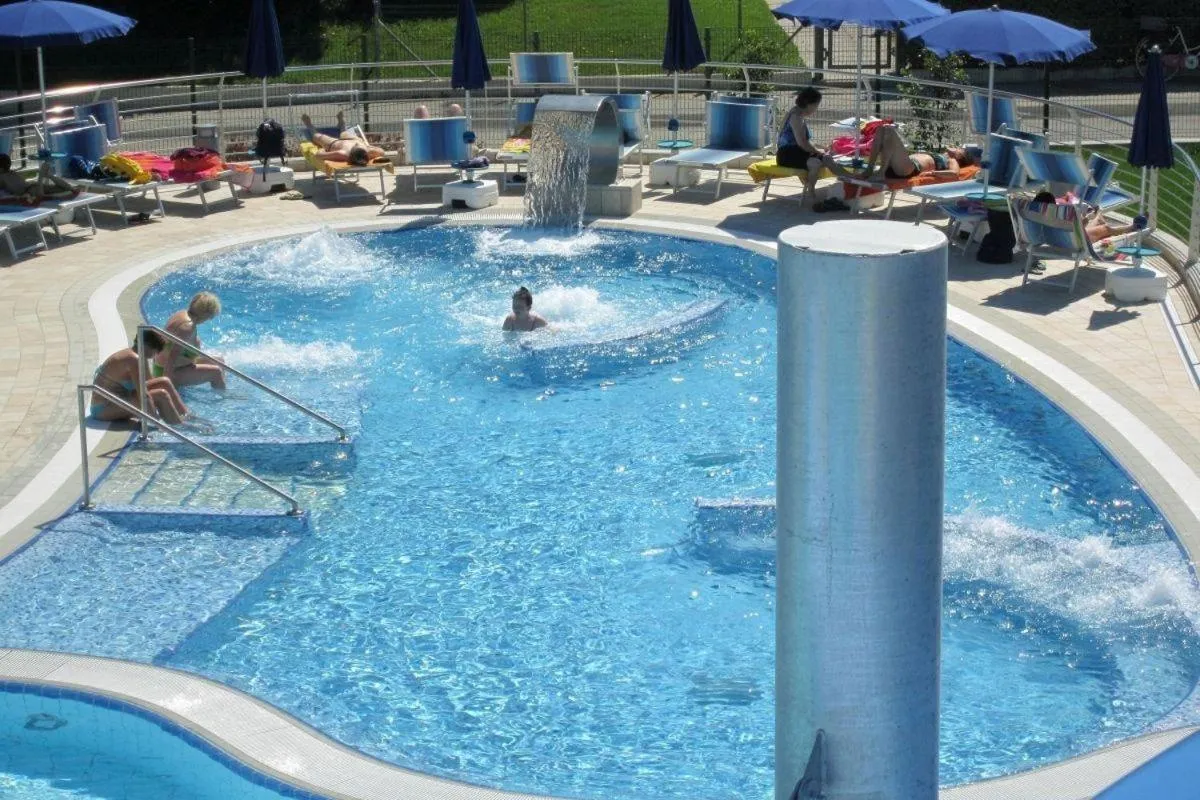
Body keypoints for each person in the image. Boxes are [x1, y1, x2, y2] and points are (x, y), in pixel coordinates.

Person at [91, 330, 188, 425]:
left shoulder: (138, 355)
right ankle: (179, 427)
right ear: (147, 346)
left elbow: (150, 382)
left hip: (120, 398)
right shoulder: (134, 360)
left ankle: (186, 416)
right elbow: (144, 395)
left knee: (164, 382)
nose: (157, 354)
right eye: (156, 350)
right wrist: (156, 419)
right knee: (161, 395)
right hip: (103, 408)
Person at [825, 124, 974, 183]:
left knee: (888, 130)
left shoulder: (952, 160)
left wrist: (933, 173)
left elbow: (954, 174)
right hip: (899, 164)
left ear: (961, 156)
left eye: (959, 148)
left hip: (910, 169)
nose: (956, 147)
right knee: (881, 129)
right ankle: (871, 169)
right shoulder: (945, 155)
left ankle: (879, 172)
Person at [154, 291, 227, 390]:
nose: (209, 319)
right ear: (205, 314)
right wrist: (168, 386)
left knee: (219, 361)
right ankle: (224, 399)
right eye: (210, 316)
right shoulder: (187, 327)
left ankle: (221, 387)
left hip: (180, 366)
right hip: (168, 371)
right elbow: (171, 357)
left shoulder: (182, 313)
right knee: (216, 372)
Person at [775, 87, 825, 210]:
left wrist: (822, 147)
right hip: (786, 154)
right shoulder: (796, 117)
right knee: (816, 163)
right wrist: (817, 151)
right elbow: (802, 143)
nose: (816, 109)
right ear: (809, 104)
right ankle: (811, 190)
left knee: (822, 159)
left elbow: (805, 141)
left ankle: (809, 185)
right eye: (816, 105)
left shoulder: (798, 114)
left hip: (793, 152)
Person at [1031, 191, 1146, 243]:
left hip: (1054, 239)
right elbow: (1079, 227)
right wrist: (1087, 217)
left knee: (1098, 218)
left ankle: (1099, 216)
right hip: (1073, 242)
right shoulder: (1058, 215)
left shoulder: (1036, 214)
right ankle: (1132, 227)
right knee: (1105, 228)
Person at [300, 111, 385, 167]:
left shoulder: (343, 154)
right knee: (343, 133)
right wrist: (369, 147)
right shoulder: (368, 151)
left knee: (316, 137)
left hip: (334, 143)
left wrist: (322, 149)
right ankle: (341, 121)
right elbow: (382, 152)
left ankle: (308, 124)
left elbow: (318, 155)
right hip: (354, 140)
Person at [0, 152, 79, 204]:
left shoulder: (6, 175)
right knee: (67, 189)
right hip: (30, 191)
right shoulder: (11, 173)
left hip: (31, 190)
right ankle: (45, 175)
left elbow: (40, 196)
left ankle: (45, 175)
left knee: (65, 189)